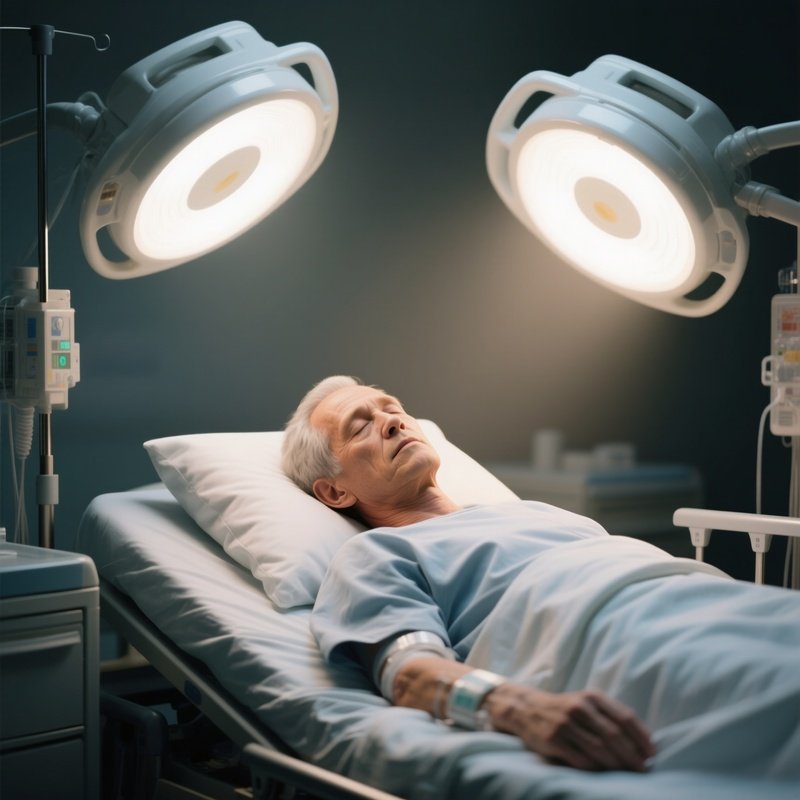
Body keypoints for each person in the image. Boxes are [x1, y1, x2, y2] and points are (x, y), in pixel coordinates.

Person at [281, 375, 799, 777]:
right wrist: (517, 707)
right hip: (621, 641)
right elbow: (409, 671)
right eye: (361, 425)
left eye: (392, 408)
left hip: (705, 599)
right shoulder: (375, 554)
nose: (393, 421)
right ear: (334, 492)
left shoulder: (539, 512)